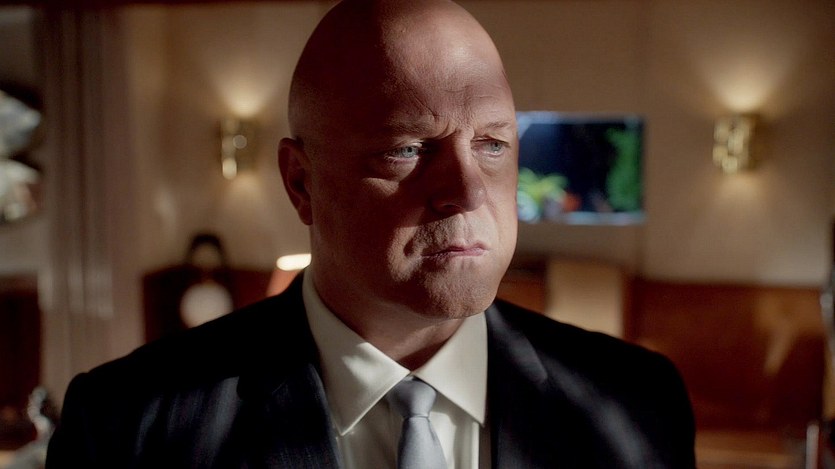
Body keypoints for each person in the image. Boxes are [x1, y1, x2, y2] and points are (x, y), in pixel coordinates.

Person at [45, 0, 696, 467]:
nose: (469, 190)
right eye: (408, 149)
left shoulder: (638, 404)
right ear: (301, 183)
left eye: (492, 144)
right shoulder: (127, 426)